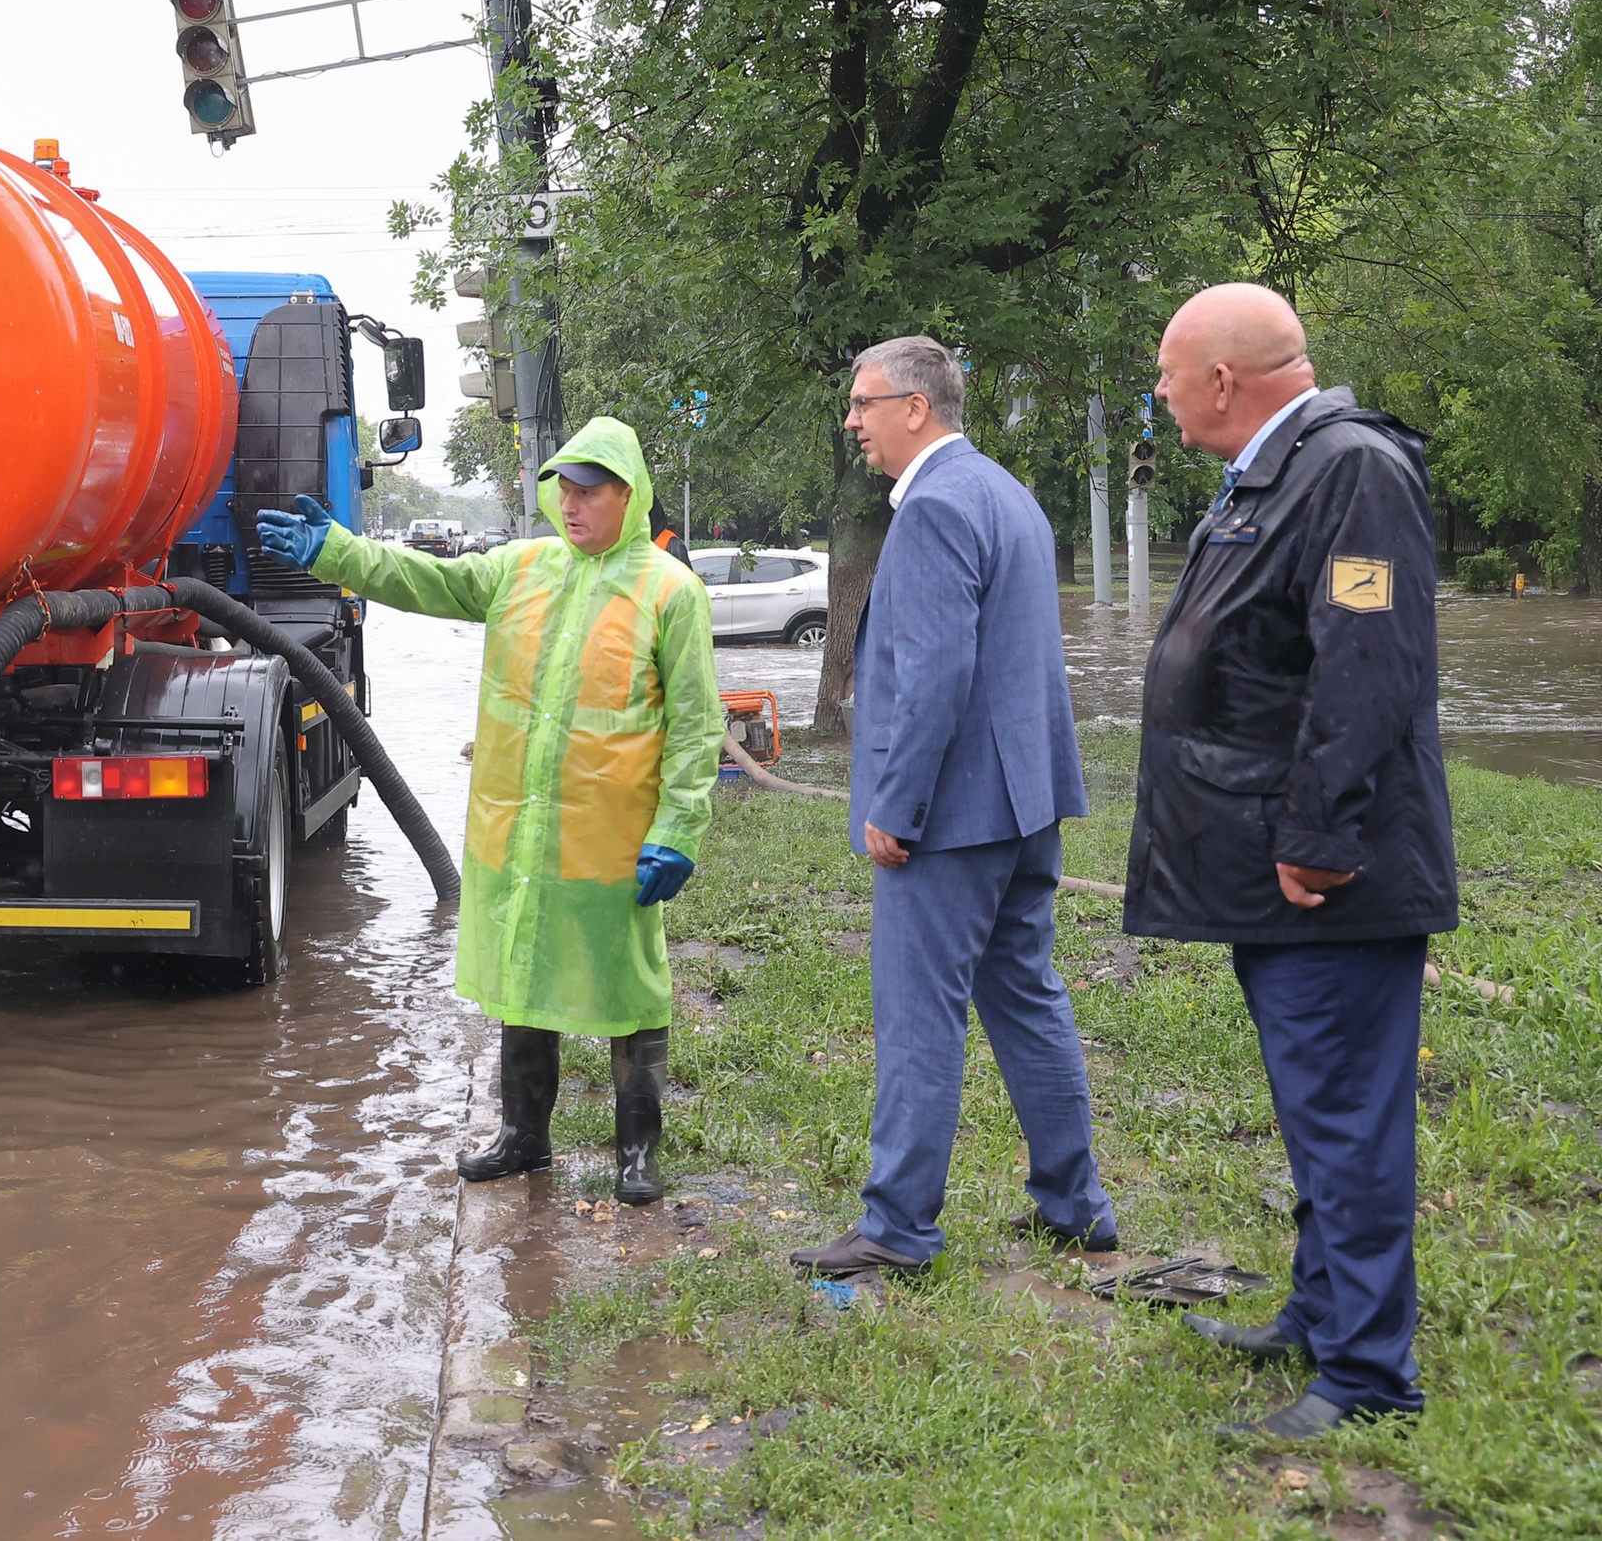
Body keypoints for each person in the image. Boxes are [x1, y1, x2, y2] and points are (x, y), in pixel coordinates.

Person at [1127, 282, 1455, 1441]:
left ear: (1221, 379)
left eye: (1168, 375)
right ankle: (1320, 1317)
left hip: (1329, 874)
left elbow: (1368, 664)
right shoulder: (1283, 470)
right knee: (1315, 1109)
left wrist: (1317, 836)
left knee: (1346, 1116)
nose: (1159, 397)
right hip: (1272, 866)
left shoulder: (1351, 470)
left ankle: (1368, 1376)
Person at [254, 417, 722, 1206]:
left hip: (610, 836)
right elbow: (422, 581)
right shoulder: (522, 567)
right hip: (519, 831)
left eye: (590, 492)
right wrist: (336, 550)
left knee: (630, 986)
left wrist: (677, 828)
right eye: (564, 490)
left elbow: (696, 726)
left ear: (628, 494)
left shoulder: (670, 592)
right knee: (522, 978)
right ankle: (523, 1136)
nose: (571, 506)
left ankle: (637, 1150)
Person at [790, 336, 1114, 1278]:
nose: (854, 420)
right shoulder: (1005, 491)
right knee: (1024, 992)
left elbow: (935, 674)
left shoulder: (932, 507)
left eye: (864, 402)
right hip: (1025, 800)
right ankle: (1076, 1205)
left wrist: (896, 803)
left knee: (919, 1014)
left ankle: (896, 1226)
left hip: (953, 815)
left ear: (916, 409)